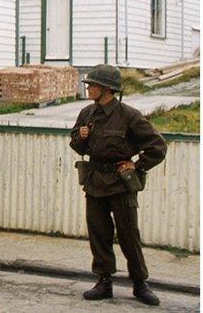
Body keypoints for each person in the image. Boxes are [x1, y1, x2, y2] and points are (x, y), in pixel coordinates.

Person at [69, 64, 167, 306]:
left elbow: (158, 146)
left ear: (106, 88)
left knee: (128, 235)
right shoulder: (87, 114)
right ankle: (104, 282)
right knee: (98, 234)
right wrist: (79, 138)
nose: (88, 88)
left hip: (121, 185)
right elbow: (78, 146)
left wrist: (138, 165)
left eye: (92, 84)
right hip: (94, 183)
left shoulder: (129, 115)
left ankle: (139, 283)